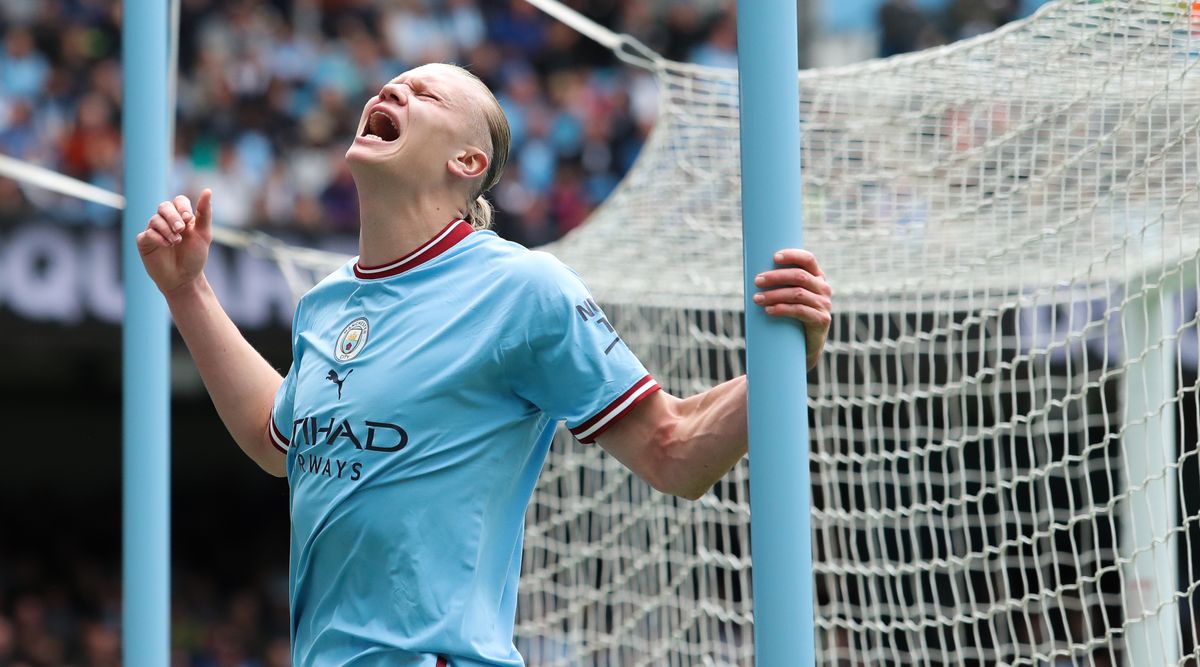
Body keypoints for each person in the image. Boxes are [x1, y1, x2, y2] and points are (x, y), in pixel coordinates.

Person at [136, 63, 833, 667]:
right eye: (393, 85)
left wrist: (784, 359)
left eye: (425, 95)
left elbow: (673, 449)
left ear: (467, 163)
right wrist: (186, 290)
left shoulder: (523, 289)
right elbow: (274, 439)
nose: (394, 89)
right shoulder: (325, 304)